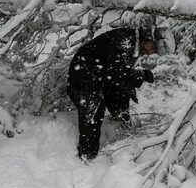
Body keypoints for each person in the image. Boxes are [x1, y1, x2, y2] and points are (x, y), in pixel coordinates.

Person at [65, 28, 156, 160]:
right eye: (152, 46)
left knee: (121, 92)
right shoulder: (125, 41)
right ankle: (87, 156)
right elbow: (119, 73)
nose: (150, 52)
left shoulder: (133, 43)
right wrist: (142, 75)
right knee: (94, 111)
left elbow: (118, 74)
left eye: (154, 50)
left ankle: (121, 126)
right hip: (83, 78)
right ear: (147, 38)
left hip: (99, 76)